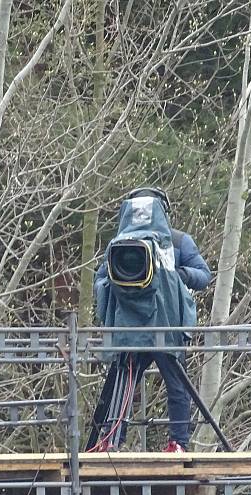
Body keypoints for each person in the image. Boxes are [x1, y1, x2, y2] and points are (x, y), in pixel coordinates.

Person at [85, 187, 211, 453]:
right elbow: (102, 280)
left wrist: (178, 276)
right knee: (126, 384)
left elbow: (203, 276)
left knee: (175, 385)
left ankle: (178, 443)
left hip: (162, 326)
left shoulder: (176, 242)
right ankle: (114, 441)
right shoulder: (120, 246)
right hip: (136, 326)